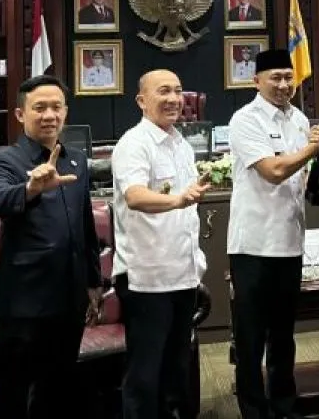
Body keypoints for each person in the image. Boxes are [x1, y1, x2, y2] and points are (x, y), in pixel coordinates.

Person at [0, 75, 103, 419]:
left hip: (70, 298)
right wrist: (31, 189)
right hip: (25, 300)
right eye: (40, 108)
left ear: (65, 112)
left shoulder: (76, 159)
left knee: (58, 389)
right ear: (21, 114)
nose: (49, 115)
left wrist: (93, 280)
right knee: (13, 394)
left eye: (56, 107)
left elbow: (84, 224)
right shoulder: (5, 159)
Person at [227, 48, 319, 419]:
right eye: (276, 77)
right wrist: (314, 147)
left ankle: (285, 407)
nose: (284, 84)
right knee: (251, 337)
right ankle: (254, 411)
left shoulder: (300, 120)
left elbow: (305, 177)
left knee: (284, 336)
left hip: (289, 243)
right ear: (256, 81)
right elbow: (273, 171)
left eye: (289, 77)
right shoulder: (245, 119)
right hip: (253, 245)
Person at [112, 69, 212, 419]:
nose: (174, 99)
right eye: (164, 91)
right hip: (147, 278)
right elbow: (136, 196)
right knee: (145, 374)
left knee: (176, 370)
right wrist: (178, 200)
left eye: (178, 91)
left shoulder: (181, 143)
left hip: (182, 273)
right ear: (142, 101)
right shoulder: (134, 144)